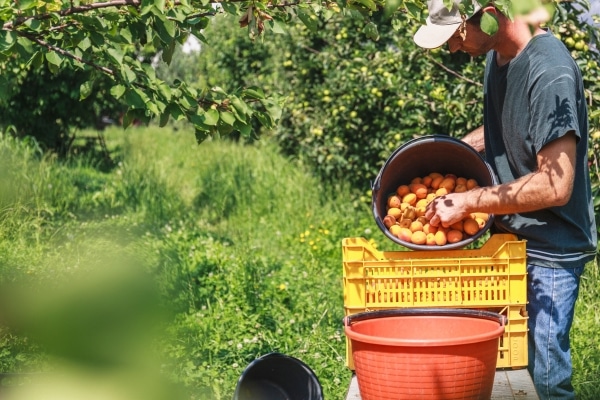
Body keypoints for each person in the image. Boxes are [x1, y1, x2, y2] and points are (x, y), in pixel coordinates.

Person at [413, 1, 597, 399]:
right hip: (512, 238)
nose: (453, 49)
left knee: (544, 383)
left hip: (551, 248)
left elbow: (556, 185)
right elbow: (505, 124)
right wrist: (450, 152)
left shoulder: (549, 73)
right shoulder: (498, 55)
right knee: (510, 377)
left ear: (491, 13)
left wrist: (470, 201)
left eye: (457, 35)